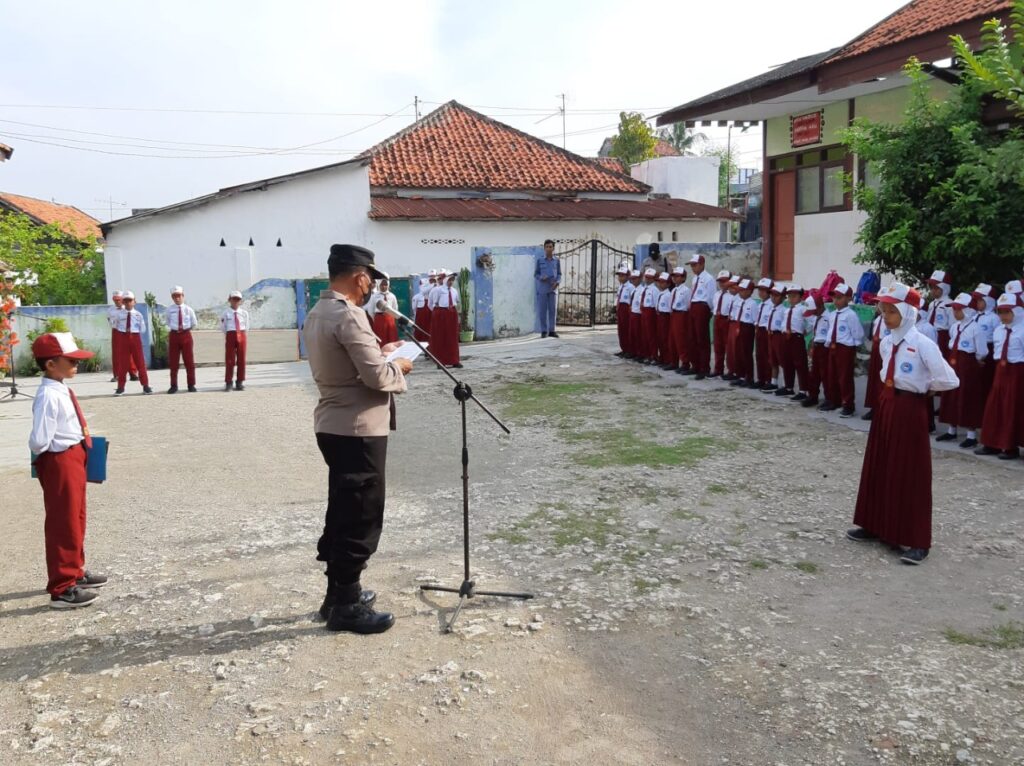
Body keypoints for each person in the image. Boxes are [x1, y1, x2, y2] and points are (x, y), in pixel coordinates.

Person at [304, 244, 413, 634]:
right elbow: (377, 378)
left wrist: (380, 353)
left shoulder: (320, 311)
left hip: (335, 424)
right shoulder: (349, 315)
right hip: (358, 428)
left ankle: (337, 594)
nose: (370, 287)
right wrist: (398, 364)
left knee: (344, 508)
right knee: (361, 514)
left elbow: (349, 363)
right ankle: (346, 605)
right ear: (360, 277)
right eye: (369, 279)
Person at [848, 284, 959, 565]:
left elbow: (949, 379)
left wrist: (924, 388)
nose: (885, 315)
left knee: (910, 471)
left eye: (892, 310)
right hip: (887, 403)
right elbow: (888, 371)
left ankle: (916, 539)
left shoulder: (923, 343)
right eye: (883, 309)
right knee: (880, 464)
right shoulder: (887, 342)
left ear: (908, 312)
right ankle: (875, 524)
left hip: (910, 408)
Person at [29, 332, 108, 608]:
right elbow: (39, 440)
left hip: (73, 456)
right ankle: (62, 588)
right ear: (51, 364)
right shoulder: (49, 396)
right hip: (59, 458)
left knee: (76, 518)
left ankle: (74, 570)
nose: (76, 364)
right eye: (70, 360)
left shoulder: (61, 387)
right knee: (63, 522)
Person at [974, 293, 1024, 460]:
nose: (1003, 316)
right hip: (1000, 371)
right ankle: (992, 442)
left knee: (1013, 408)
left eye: (1007, 312)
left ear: (1017, 312)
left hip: (1017, 372)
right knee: (995, 406)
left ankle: (1010, 445)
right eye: (1000, 312)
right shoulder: (998, 331)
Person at [936, 293, 986, 449]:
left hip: (967, 364)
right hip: (954, 361)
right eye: (954, 310)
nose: (955, 313)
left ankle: (971, 435)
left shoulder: (975, 328)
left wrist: (973, 360)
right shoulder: (955, 327)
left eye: (958, 310)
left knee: (967, 397)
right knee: (952, 395)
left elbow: (982, 351)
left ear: (968, 310)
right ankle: (952, 429)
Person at [823, 283, 864, 417]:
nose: (836, 300)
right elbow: (830, 330)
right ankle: (834, 400)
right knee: (832, 374)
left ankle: (848, 404)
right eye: (834, 297)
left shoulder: (850, 315)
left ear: (848, 299)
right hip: (833, 346)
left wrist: (853, 347)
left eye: (839, 297)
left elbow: (857, 332)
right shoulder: (832, 314)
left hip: (845, 348)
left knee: (844, 377)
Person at [112, 291, 152, 396]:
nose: (128, 303)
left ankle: (145, 385)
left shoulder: (138, 315)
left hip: (135, 337)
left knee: (140, 362)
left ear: (134, 302)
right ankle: (120, 387)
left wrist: (134, 332)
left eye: (130, 300)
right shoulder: (119, 314)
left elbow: (142, 328)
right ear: (123, 302)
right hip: (123, 336)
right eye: (125, 301)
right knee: (123, 363)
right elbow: (115, 325)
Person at [166, 285, 198, 394]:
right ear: (172, 297)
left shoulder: (188, 309)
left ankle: (191, 384)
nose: (177, 298)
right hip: (174, 335)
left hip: (186, 334)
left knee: (189, 361)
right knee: (173, 362)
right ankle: (173, 385)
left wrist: (185, 330)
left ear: (183, 296)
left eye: (179, 296)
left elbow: (194, 323)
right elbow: (167, 322)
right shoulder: (170, 310)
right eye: (174, 296)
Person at [687, 254, 715, 379]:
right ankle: (695, 365)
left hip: (702, 306)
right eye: (692, 265)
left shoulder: (709, 278)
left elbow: (710, 296)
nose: (693, 268)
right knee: (692, 338)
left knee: (702, 338)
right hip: (693, 306)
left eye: (695, 265)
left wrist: (708, 310)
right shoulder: (694, 279)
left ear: (702, 264)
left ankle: (704, 367)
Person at [778, 284, 808, 398]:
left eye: (794, 296)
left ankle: (803, 390)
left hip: (796, 337)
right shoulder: (787, 310)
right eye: (789, 296)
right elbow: (783, 322)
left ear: (800, 297)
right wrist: (783, 330)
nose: (791, 299)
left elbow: (811, 321)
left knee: (800, 364)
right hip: (786, 337)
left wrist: (806, 330)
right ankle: (788, 387)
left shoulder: (803, 309)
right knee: (787, 362)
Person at [428, 269, 462, 368]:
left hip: (452, 313)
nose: (451, 282)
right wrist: (439, 313)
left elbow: (456, 302)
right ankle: (441, 361)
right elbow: (431, 304)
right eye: (449, 279)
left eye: (452, 280)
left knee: (452, 337)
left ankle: (454, 360)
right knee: (441, 337)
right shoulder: (437, 290)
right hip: (441, 313)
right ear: (445, 279)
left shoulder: (454, 291)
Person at [802, 293, 830, 408]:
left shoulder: (829, 318)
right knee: (814, 373)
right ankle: (813, 396)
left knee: (825, 374)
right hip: (816, 345)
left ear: (819, 307)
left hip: (825, 347)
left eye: (814, 311)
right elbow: (813, 330)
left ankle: (829, 398)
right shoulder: (815, 317)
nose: (812, 313)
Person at [220, 290, 249, 391]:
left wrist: (242, 334)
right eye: (234, 299)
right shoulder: (225, 313)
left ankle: (240, 382)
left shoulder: (244, 313)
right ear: (229, 300)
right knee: (230, 359)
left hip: (241, 334)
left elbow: (247, 326)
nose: (236, 301)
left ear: (240, 301)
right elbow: (223, 327)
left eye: (238, 299)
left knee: (241, 359)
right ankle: (229, 382)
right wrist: (229, 334)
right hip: (231, 334)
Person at [862, 296, 886, 421]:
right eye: (877, 303)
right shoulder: (877, 320)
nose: (878, 306)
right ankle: (873, 406)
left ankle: (882, 408)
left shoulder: (889, 320)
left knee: (882, 380)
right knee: (873, 380)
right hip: (876, 350)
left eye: (881, 303)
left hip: (884, 351)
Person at [730, 278, 757, 387]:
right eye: (739, 290)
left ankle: (749, 377)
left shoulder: (753, 303)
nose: (740, 292)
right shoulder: (738, 301)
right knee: (738, 352)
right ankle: (740, 375)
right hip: (738, 325)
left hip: (747, 327)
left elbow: (754, 320)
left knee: (746, 352)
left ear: (750, 291)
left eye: (743, 290)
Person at [535, 239, 561, 338]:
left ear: (553, 248)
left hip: (553, 289)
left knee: (552, 310)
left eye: (551, 247)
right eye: (547, 247)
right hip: (542, 289)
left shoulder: (557, 261)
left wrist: (558, 282)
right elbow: (536, 274)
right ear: (544, 248)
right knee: (542, 311)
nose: (549, 249)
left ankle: (552, 331)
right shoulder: (540, 260)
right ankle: (543, 331)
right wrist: (541, 277)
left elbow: (559, 274)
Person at [710, 270, 734, 378]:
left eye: (724, 281)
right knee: (717, 345)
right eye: (720, 281)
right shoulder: (716, 294)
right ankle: (718, 369)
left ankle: (730, 370)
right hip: (717, 319)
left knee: (728, 346)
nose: (722, 284)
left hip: (726, 320)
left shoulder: (732, 296)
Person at [669, 266, 692, 374]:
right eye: (673, 276)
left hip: (682, 315)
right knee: (673, 339)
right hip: (673, 314)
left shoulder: (686, 290)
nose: (675, 278)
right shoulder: (674, 290)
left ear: (683, 278)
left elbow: (688, 305)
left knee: (681, 339)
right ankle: (674, 362)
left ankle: (685, 362)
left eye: (677, 276)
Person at [753, 278, 775, 391]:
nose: (761, 292)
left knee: (768, 356)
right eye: (759, 290)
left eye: (764, 290)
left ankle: (768, 379)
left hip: (767, 331)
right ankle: (761, 378)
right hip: (759, 330)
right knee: (759, 355)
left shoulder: (771, 304)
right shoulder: (760, 304)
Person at [925, 270, 953, 352]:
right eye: (931, 287)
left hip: (942, 336)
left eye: (936, 288)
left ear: (945, 288)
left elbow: (953, 325)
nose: (933, 290)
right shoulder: (931, 304)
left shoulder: (949, 304)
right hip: (929, 334)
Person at [369, 274, 399, 346]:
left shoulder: (392, 296)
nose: (383, 286)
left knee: (391, 338)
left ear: (388, 285)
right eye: (382, 285)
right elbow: (371, 310)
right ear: (379, 285)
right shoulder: (374, 296)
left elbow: (395, 308)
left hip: (390, 319)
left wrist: (392, 318)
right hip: (379, 319)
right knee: (380, 338)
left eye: (385, 285)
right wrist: (376, 319)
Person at [614, 265, 634, 358]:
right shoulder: (620, 287)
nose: (620, 277)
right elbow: (618, 297)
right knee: (621, 330)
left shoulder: (631, 287)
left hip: (627, 309)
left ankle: (629, 350)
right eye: (619, 275)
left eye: (623, 275)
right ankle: (623, 349)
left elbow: (631, 300)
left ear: (628, 276)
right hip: (620, 308)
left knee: (627, 329)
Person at [655, 272, 674, 368]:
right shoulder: (660, 294)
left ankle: (667, 359)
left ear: (668, 284)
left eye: (663, 282)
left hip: (665, 316)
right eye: (659, 282)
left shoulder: (668, 295)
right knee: (660, 338)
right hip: (659, 315)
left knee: (665, 338)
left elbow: (669, 307)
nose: (660, 284)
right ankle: (661, 357)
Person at [411, 274, 432, 343]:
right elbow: (414, 308)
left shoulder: (430, 296)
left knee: (428, 329)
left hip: (429, 317)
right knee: (420, 330)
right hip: (420, 318)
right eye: (422, 285)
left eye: (425, 285)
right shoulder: (416, 296)